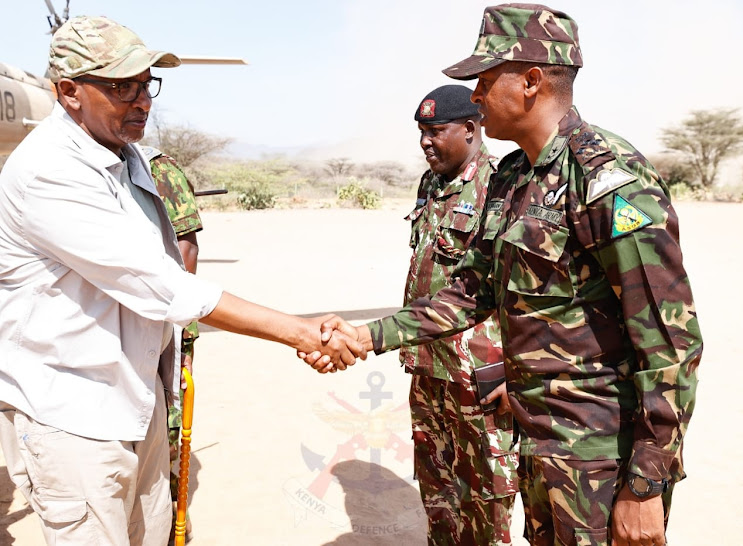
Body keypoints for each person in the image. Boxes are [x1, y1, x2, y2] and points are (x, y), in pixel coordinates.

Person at [306, 4, 703, 545]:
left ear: (532, 81)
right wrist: (366, 335)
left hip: (600, 453)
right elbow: (471, 291)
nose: (474, 96)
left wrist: (646, 485)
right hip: (537, 443)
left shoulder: (607, 179)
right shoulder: (514, 178)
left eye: (485, 81)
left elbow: (669, 342)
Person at [0, 15, 362, 546]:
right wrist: (301, 332)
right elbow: (163, 286)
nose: (143, 100)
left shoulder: (124, 158)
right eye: (123, 86)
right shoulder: (49, 171)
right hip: (74, 417)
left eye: (147, 84)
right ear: (69, 92)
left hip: (135, 401)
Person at [399, 84, 517, 545]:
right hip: (428, 369)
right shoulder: (430, 183)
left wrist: (515, 369)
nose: (426, 142)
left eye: (435, 131)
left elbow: (518, 289)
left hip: (481, 376)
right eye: (421, 132)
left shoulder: (502, 184)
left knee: (485, 498)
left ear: (470, 129)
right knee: (438, 491)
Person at [143, 145, 202, 543]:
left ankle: (168, 522)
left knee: (168, 422)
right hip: (115, 329)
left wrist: (175, 320)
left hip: (166, 325)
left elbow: (187, 246)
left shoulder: (156, 167)